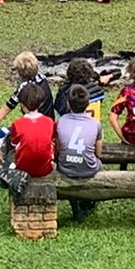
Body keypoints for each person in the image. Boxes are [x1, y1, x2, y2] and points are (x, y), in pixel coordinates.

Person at [0, 83, 47, 212]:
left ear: (21, 104)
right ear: (41, 103)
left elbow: (13, 142)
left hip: (24, 168)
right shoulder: (49, 122)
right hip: (45, 167)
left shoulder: (18, 125)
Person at [0, 51, 55, 172]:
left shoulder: (24, 88)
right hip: (48, 127)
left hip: (29, 129)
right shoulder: (43, 79)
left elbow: (7, 107)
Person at [54, 83, 103, 222]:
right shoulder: (95, 123)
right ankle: (89, 202)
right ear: (88, 104)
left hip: (65, 167)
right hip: (88, 169)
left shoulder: (61, 121)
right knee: (99, 164)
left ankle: (76, 204)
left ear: (68, 103)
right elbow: (98, 153)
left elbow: (58, 149)